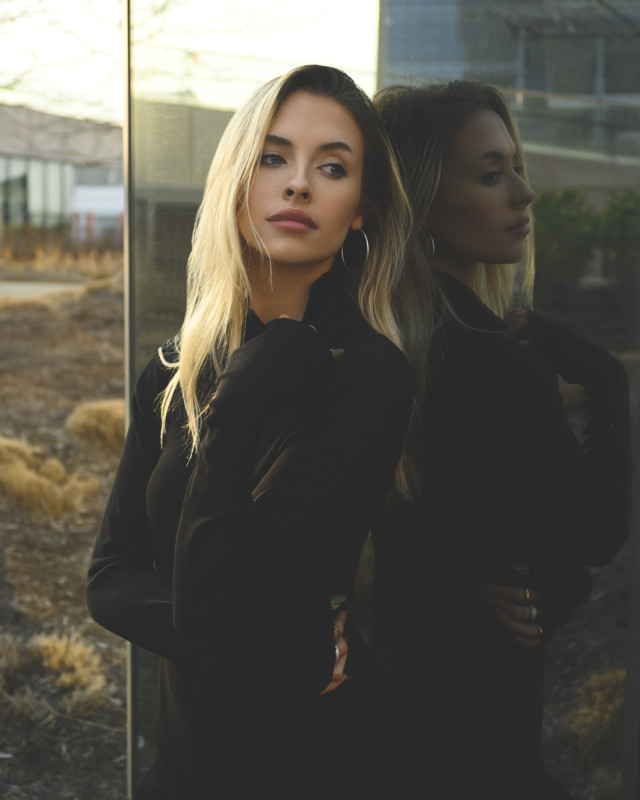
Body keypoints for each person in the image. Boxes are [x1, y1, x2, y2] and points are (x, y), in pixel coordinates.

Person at [86, 65, 418, 799]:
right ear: (237, 180)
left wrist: (238, 407)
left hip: (319, 758)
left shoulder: (369, 375)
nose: (298, 184)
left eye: (332, 167)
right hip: (186, 759)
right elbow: (108, 577)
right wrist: (265, 642)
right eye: (273, 157)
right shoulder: (173, 370)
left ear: (359, 208)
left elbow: (213, 599)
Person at [370, 80, 633, 799]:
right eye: (491, 174)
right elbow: (594, 537)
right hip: (477, 733)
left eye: (516, 166)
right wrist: (605, 380)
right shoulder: (495, 359)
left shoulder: (367, 345)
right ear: (422, 201)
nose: (524, 193)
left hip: (384, 728)